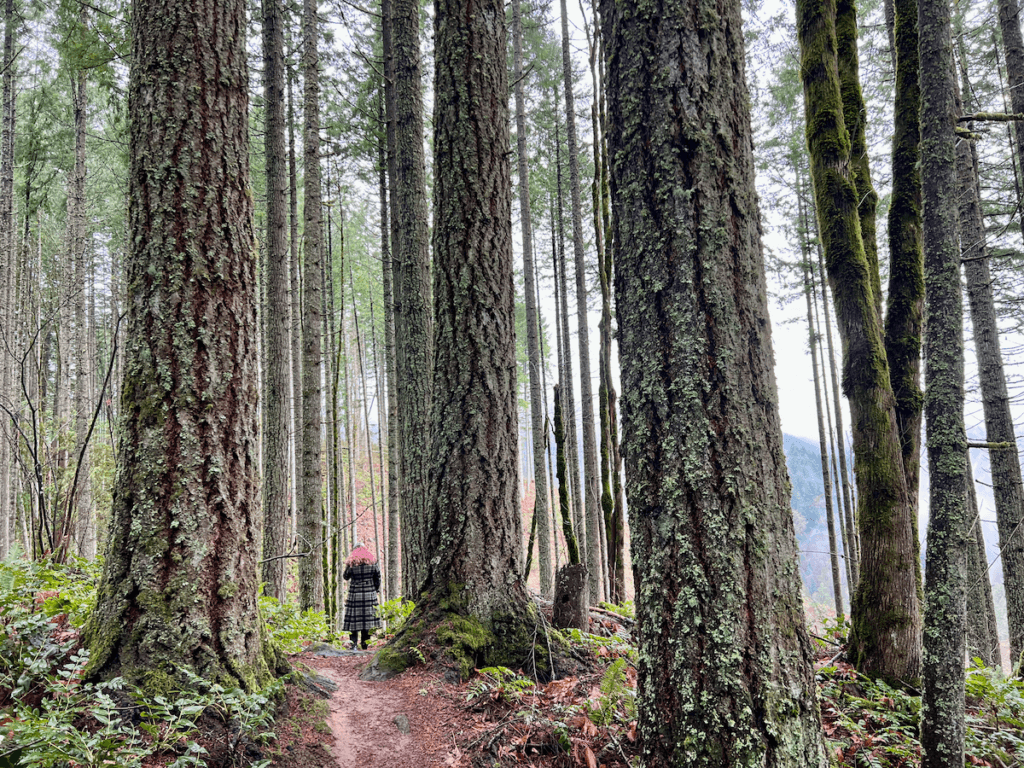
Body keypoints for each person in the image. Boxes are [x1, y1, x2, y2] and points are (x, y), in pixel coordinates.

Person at [342, 542, 382, 650]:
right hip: (370, 595)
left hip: (355, 595)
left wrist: (348, 565)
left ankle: (353, 645)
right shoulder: (373, 562)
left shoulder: (352, 563)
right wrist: (375, 590)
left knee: (354, 622)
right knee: (367, 621)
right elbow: (378, 577)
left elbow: (345, 576)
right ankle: (365, 645)